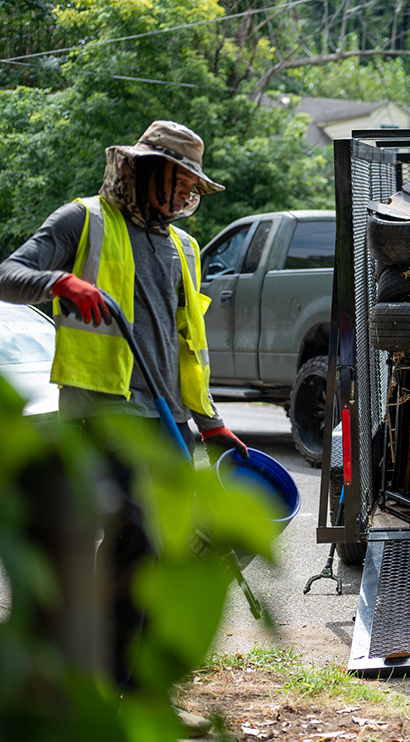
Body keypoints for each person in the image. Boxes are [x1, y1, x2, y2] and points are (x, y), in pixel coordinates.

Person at [0, 121, 248, 711]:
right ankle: (106, 690)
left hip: (169, 422)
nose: (188, 196)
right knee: (134, 540)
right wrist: (58, 280)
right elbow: (7, 277)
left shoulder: (183, 246)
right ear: (147, 171)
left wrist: (209, 421)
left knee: (165, 555)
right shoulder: (81, 221)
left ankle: (139, 691)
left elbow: (188, 344)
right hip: (103, 416)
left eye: (193, 186)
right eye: (182, 182)